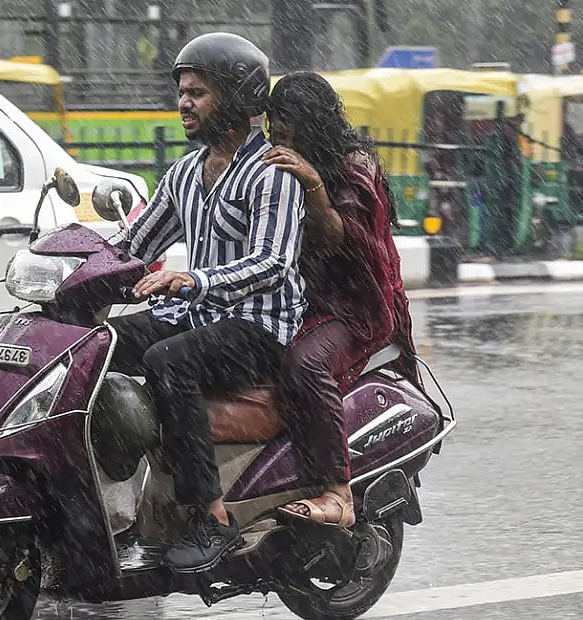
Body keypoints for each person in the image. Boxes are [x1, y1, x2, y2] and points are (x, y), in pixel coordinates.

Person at [107, 33, 306, 573]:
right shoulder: (184, 175)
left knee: (169, 360)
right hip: (200, 314)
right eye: (182, 92)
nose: (183, 103)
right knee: (95, 347)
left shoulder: (271, 173)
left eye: (198, 92)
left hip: (260, 326)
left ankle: (211, 516)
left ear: (236, 99)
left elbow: (273, 264)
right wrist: (68, 261)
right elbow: (130, 248)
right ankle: (112, 506)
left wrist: (191, 280)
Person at [261, 71, 420, 528]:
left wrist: (313, 185)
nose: (280, 134)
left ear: (314, 122)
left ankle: (338, 491)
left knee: (305, 365)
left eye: (289, 123)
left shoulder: (352, 167)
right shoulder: (280, 160)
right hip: (300, 296)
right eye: (275, 123)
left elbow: (343, 241)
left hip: (355, 306)